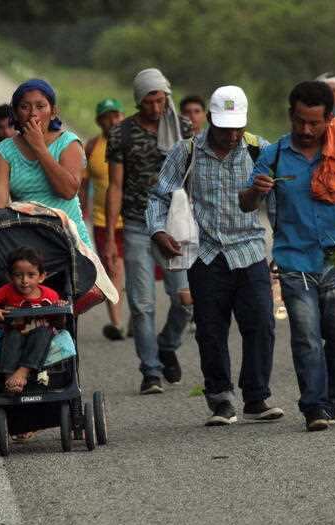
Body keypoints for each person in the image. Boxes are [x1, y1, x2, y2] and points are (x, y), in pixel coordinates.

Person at [242, 81, 335, 432]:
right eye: (299, 121)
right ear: (291, 115)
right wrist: (255, 191)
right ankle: (313, 405)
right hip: (294, 260)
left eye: (314, 123)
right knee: (306, 336)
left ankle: (331, 397)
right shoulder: (273, 155)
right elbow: (246, 204)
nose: (305, 129)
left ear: (329, 119)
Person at [147, 85, 284, 426]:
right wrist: (158, 231)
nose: (232, 135)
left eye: (238, 127)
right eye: (224, 128)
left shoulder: (260, 150)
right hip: (205, 255)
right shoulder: (187, 151)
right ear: (209, 119)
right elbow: (160, 196)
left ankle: (256, 396)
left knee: (261, 323)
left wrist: (282, 248)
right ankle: (221, 399)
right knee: (210, 330)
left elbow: (279, 202)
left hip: (249, 250)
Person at [103, 68, 193, 394]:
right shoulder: (121, 134)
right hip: (138, 225)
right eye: (148, 102)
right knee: (142, 304)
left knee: (185, 299)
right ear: (138, 101)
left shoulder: (183, 128)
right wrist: (110, 236)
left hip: (175, 224)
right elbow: (115, 186)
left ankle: (167, 344)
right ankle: (151, 370)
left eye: (160, 100)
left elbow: (194, 175)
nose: (156, 108)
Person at [0, 79, 90, 246]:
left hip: (70, 241)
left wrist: (39, 148)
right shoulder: (3, 151)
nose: (32, 114)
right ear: (15, 114)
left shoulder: (68, 143)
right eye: (24, 107)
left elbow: (68, 191)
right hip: (28, 242)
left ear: (53, 112)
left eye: (40, 106)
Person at [0, 247, 62, 394]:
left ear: (41, 276)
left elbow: (60, 322)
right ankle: (9, 377)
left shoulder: (51, 295)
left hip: (40, 334)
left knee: (43, 332)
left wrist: (60, 307)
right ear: (10, 277)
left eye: (31, 275)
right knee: (13, 335)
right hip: (15, 332)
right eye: (18, 275)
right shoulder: (7, 290)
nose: (24, 281)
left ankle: (22, 371)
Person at [79, 98, 127, 341]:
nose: (113, 121)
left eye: (116, 115)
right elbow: (83, 183)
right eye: (107, 117)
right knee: (112, 268)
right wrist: (81, 213)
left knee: (136, 271)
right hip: (102, 221)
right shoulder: (92, 146)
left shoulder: (132, 143)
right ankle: (117, 323)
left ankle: (138, 318)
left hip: (133, 219)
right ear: (99, 121)